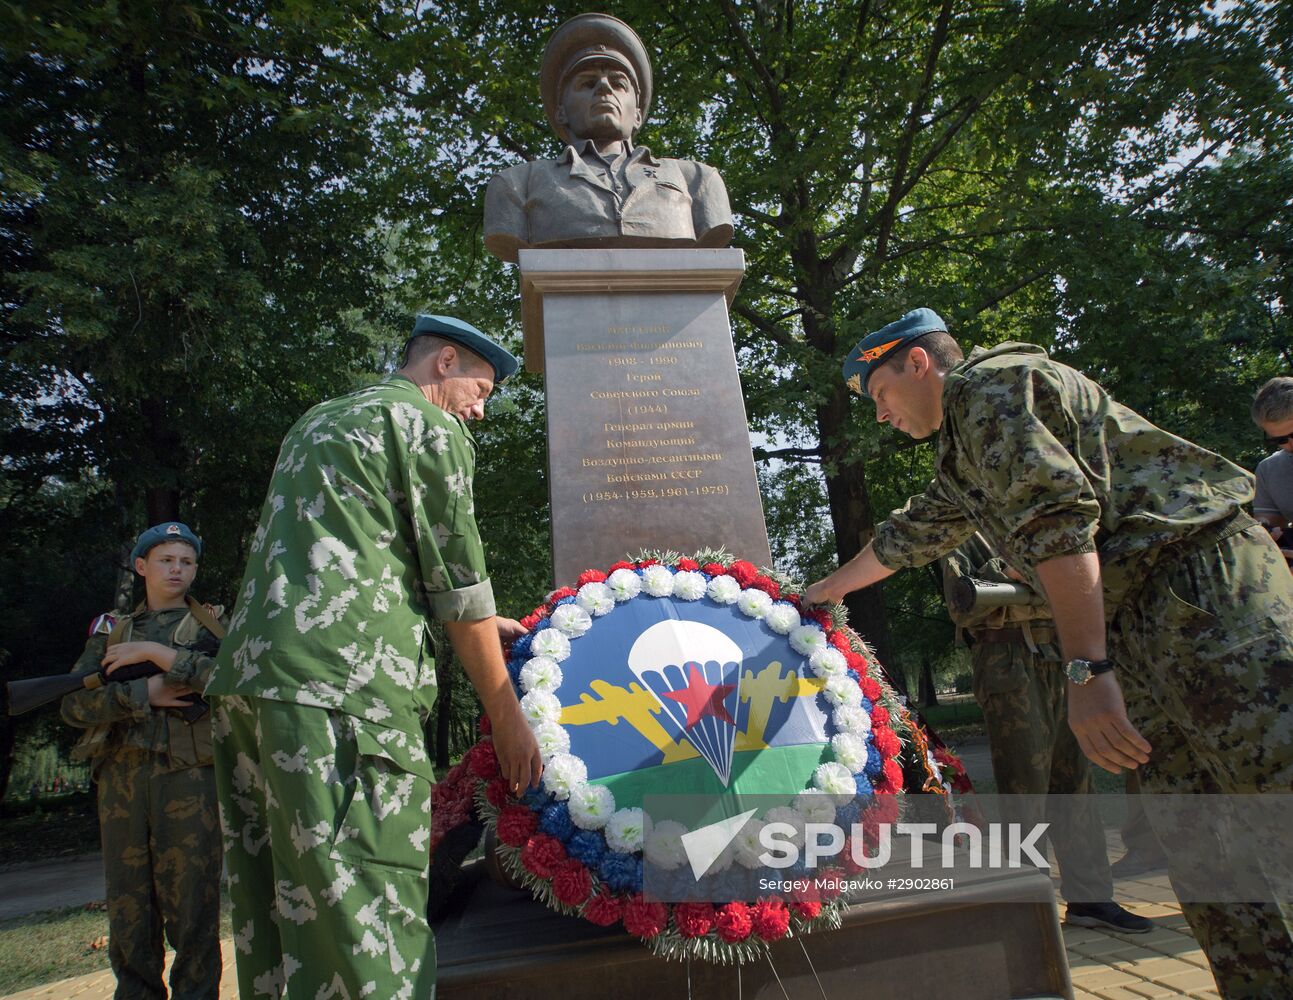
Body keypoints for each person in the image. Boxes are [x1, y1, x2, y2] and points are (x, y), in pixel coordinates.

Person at [808, 308, 1293, 998]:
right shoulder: (968, 451)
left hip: (1203, 597)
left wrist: (1086, 669)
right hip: (1145, 624)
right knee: (1200, 845)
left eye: (879, 394)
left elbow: (1058, 525)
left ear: (917, 362)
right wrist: (818, 595)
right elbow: (911, 534)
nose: (880, 414)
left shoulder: (991, 389)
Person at [207, 314, 543, 999]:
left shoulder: (317, 422)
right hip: (345, 693)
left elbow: (350, 550)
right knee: (370, 918)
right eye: (480, 390)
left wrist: (478, 622)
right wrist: (508, 717)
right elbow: (458, 585)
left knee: (282, 916)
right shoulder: (425, 425)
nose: (479, 411)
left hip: (255, 685)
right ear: (444, 362)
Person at [942, 534, 1151, 932]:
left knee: (1077, 783)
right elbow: (963, 604)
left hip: (1064, 655)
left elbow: (1089, 583)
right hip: (1009, 662)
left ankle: (1091, 898)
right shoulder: (964, 533)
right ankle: (1029, 907)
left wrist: (1024, 584)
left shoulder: (1041, 523)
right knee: (1025, 791)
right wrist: (1014, 574)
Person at [61, 521, 225, 1000]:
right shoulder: (113, 633)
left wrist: (160, 655)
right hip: (122, 784)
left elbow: (234, 680)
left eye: (186, 562)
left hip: (190, 781)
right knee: (129, 911)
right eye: (165, 560)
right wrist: (143, 693)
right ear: (140, 566)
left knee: (194, 909)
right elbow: (72, 705)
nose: (177, 569)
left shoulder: (214, 627)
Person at [483, 13, 733, 263]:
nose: (604, 88)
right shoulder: (517, 185)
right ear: (561, 111)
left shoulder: (698, 180)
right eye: (588, 83)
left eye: (618, 83)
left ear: (637, 113)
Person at [1251, 375, 1293, 567]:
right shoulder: (1269, 470)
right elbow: (1270, 529)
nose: (1291, 445)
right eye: (1280, 440)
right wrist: (1267, 537)